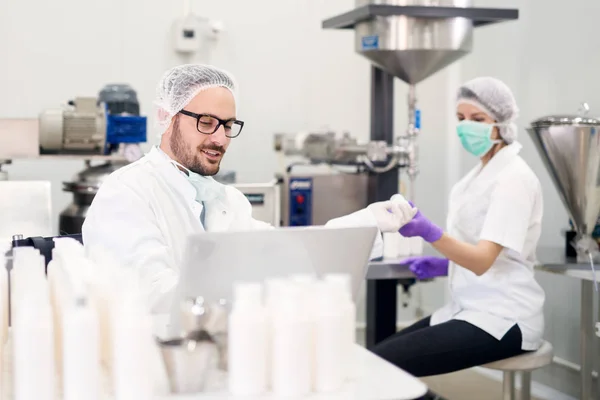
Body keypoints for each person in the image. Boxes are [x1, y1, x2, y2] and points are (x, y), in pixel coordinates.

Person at [81, 64, 416, 313]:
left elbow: (288, 256)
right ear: (167, 117)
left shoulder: (228, 201)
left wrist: (365, 223)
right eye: (206, 122)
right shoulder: (127, 193)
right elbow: (150, 297)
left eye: (228, 126)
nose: (219, 138)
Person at [371, 77, 545, 377]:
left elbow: (482, 260)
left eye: (477, 119)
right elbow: (484, 252)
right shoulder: (480, 176)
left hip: (503, 317)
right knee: (374, 360)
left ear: (501, 123)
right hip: (468, 310)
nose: (466, 126)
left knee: (382, 367)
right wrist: (443, 266)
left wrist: (430, 233)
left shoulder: (513, 178)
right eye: (461, 119)